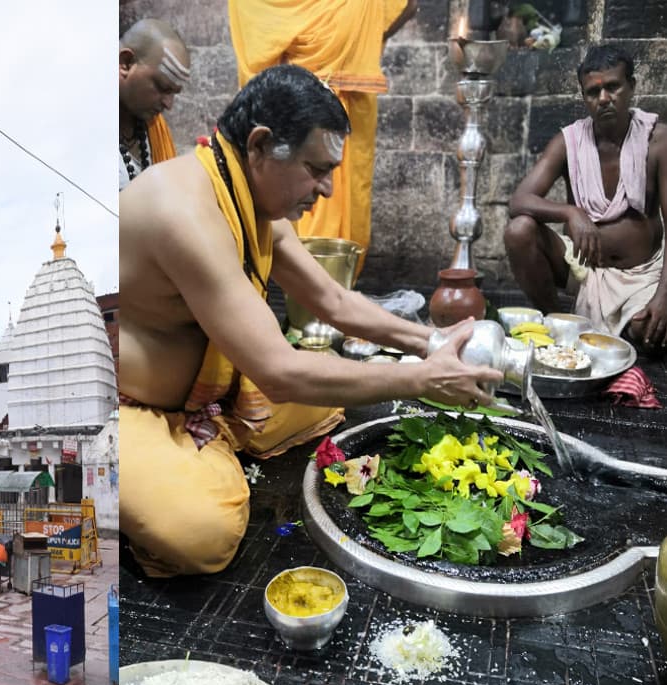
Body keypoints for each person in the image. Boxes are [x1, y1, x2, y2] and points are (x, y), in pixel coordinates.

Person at [119, 64, 502, 578]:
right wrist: (421, 381)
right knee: (201, 535)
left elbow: (335, 303)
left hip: (216, 393)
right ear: (259, 145)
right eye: (316, 168)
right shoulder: (182, 210)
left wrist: (430, 341)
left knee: (330, 391)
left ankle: (213, 435)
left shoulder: (245, 191)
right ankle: (177, 458)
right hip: (133, 406)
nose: (325, 190)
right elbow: (277, 371)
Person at [228, 0, 418, 277]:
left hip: (343, 104)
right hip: (293, 109)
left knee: (330, 205)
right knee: (293, 205)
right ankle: (310, 290)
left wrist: (356, 36)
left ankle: (322, 290)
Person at [504, 44, 667, 350]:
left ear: (631, 87)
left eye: (612, 87)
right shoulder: (569, 141)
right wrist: (571, 213)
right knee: (519, 230)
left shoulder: (658, 141)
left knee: (653, 334)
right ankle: (556, 322)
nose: (603, 99)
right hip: (585, 270)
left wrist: (663, 297)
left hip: (642, 277)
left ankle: (631, 324)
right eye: (593, 92)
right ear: (584, 97)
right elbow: (519, 201)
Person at [119, 18, 190, 189]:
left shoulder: (156, 128)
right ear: (126, 63)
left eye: (173, 93)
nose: (169, 104)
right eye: (162, 87)